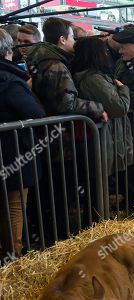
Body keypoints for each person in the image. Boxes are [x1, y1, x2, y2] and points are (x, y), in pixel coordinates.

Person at [0, 28, 46, 258]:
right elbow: (36, 114)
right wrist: (29, 89)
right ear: (8, 51)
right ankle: (12, 258)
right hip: (13, 154)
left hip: (9, 152)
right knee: (14, 206)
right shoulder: (10, 81)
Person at [72, 37, 131, 176]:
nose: (106, 54)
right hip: (98, 138)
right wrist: (123, 88)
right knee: (97, 177)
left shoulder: (95, 76)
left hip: (101, 135)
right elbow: (119, 107)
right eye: (103, 50)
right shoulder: (93, 79)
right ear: (96, 53)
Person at [26, 17, 106, 119]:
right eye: (72, 37)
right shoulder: (55, 65)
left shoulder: (38, 56)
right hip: (54, 126)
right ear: (62, 40)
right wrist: (98, 108)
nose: (74, 41)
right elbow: (67, 103)